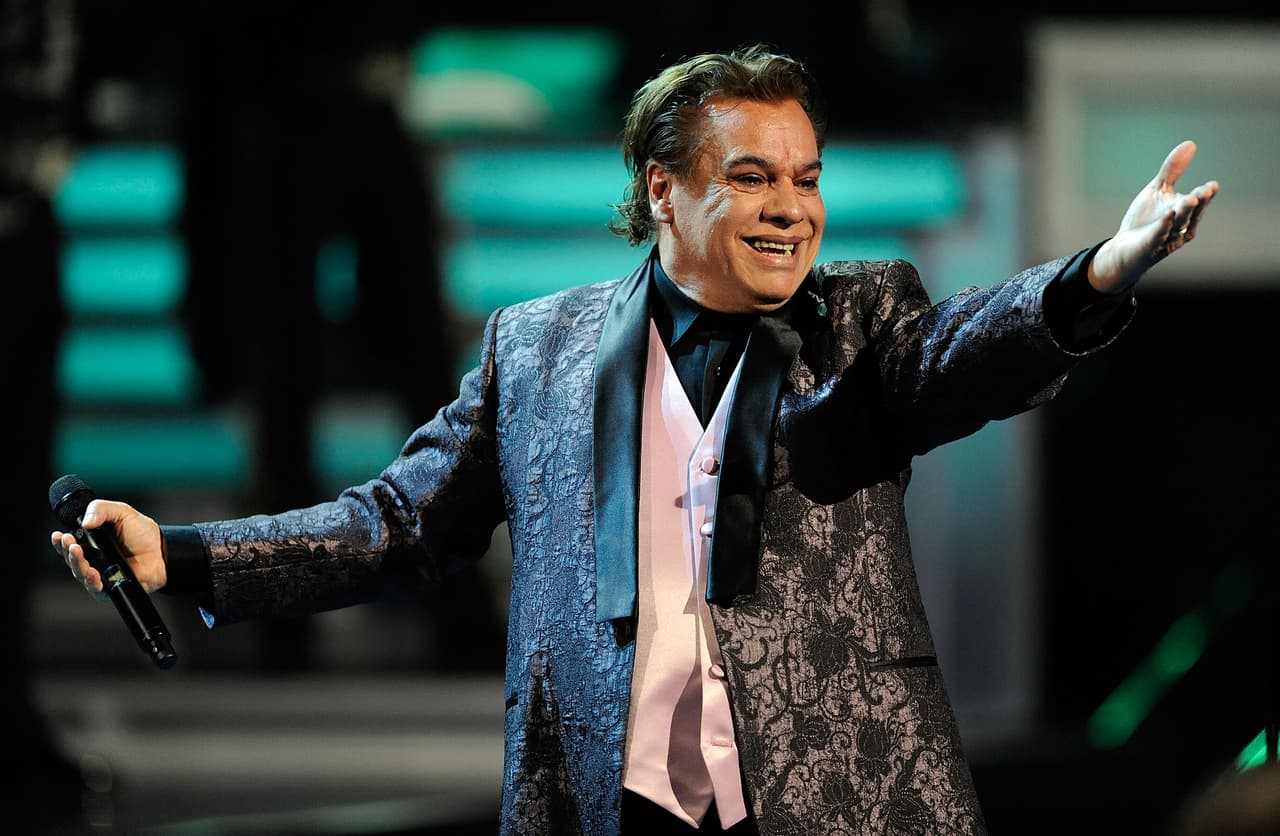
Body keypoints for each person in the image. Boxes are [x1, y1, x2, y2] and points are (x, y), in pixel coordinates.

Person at [51, 43, 1218, 836]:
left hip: (832, 790)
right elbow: (400, 522)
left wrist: (1097, 273)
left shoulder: (865, 316)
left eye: (805, 177)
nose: (791, 207)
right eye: (750, 177)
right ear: (663, 190)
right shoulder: (538, 350)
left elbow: (959, 353)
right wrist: (183, 554)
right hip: (607, 794)